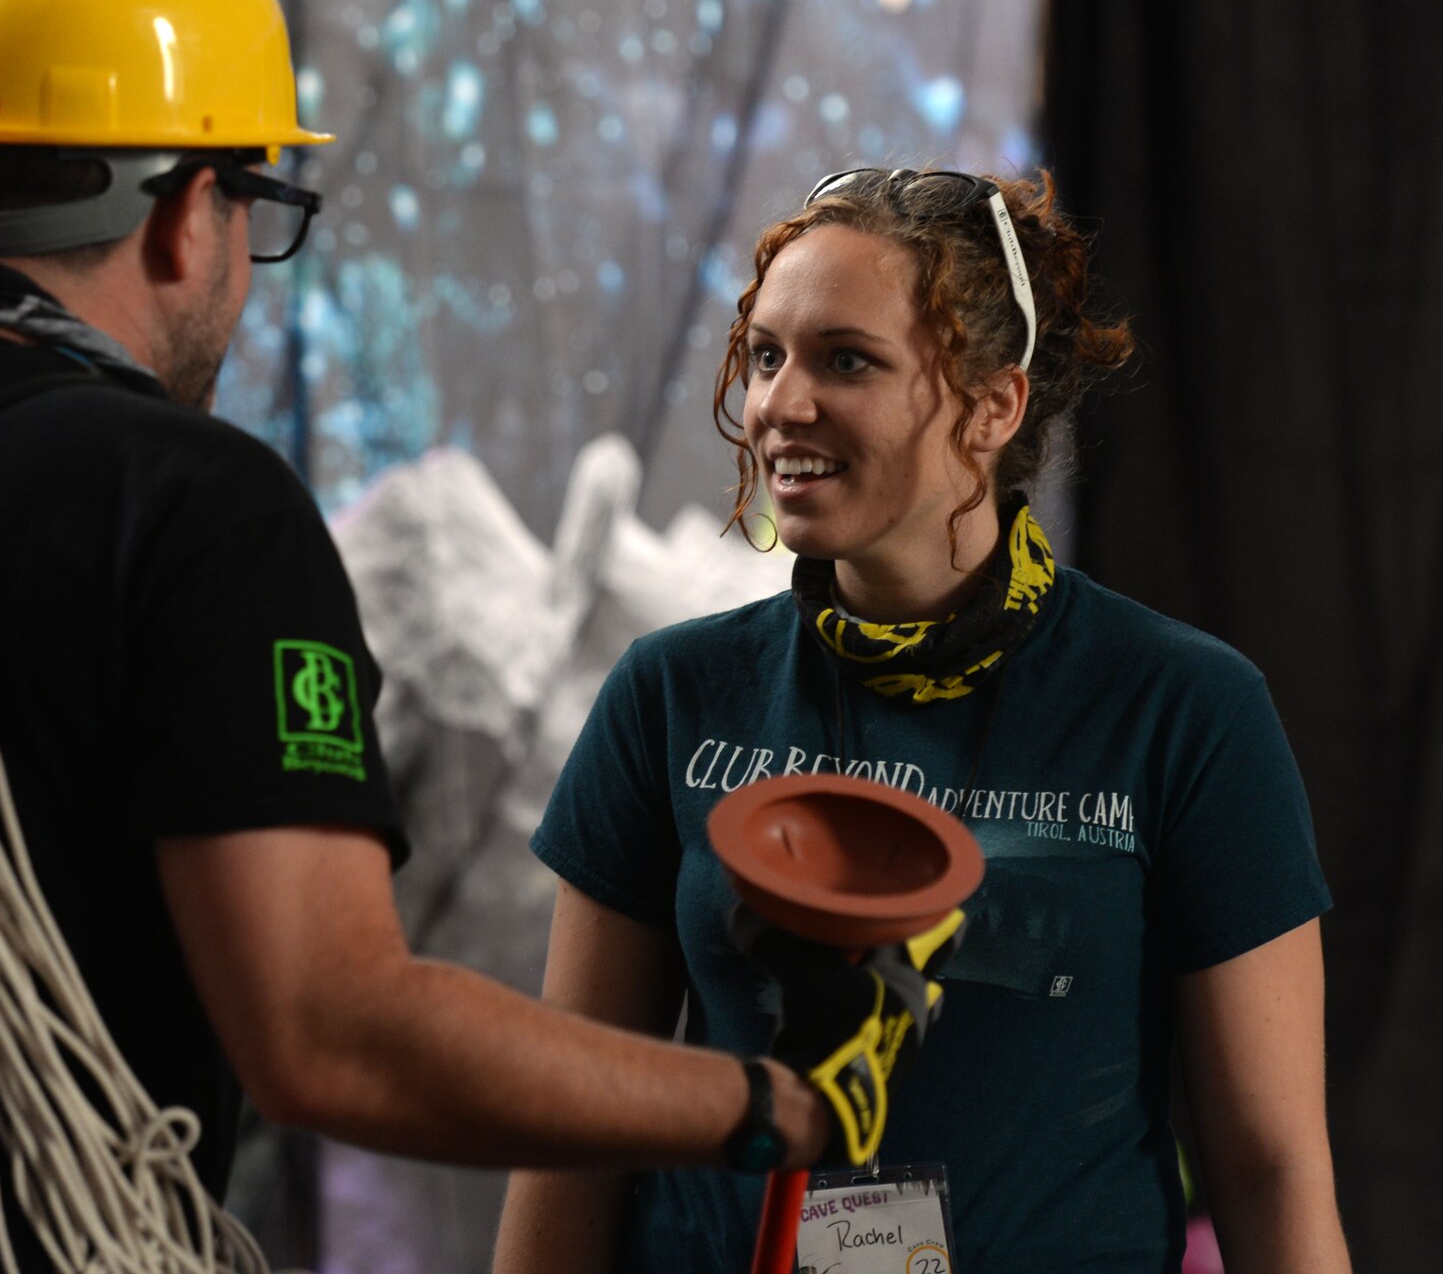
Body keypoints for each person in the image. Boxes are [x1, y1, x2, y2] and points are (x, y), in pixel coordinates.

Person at [0, 0, 909, 1268]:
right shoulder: (190, 505)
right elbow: (332, 1032)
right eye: (254, 207)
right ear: (187, 211)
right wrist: (767, 1101)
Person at [495, 168, 1352, 1273]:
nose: (778, 406)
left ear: (993, 403)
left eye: (845, 360)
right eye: (764, 355)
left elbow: (1269, 1170)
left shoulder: (1182, 708)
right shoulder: (671, 694)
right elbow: (573, 1133)